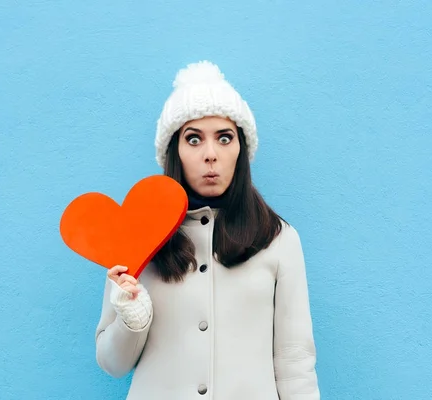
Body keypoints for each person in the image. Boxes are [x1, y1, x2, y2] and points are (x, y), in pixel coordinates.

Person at [95, 60, 320, 399]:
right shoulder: (139, 237)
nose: (210, 154)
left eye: (225, 138)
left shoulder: (278, 239)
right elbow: (112, 364)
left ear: (241, 149)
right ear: (175, 151)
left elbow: (295, 361)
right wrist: (131, 317)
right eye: (194, 139)